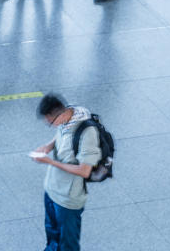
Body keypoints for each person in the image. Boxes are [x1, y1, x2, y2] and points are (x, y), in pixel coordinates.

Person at [32, 93, 102, 251]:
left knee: (67, 244)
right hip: (51, 190)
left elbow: (84, 171)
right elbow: (60, 132)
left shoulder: (87, 132)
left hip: (68, 199)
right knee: (52, 235)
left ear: (61, 113)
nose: (52, 126)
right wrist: (48, 146)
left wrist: (50, 162)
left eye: (51, 123)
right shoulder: (68, 115)